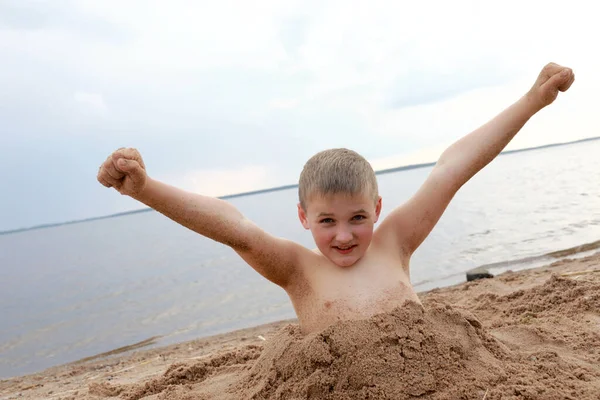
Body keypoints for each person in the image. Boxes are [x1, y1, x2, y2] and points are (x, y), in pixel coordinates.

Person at [97, 62, 574, 334]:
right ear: (303, 218)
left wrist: (531, 101)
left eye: (358, 217)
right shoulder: (297, 269)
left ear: (378, 210)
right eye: (327, 221)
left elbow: (451, 171)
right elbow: (233, 229)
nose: (344, 236)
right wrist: (145, 189)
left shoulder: (394, 243)